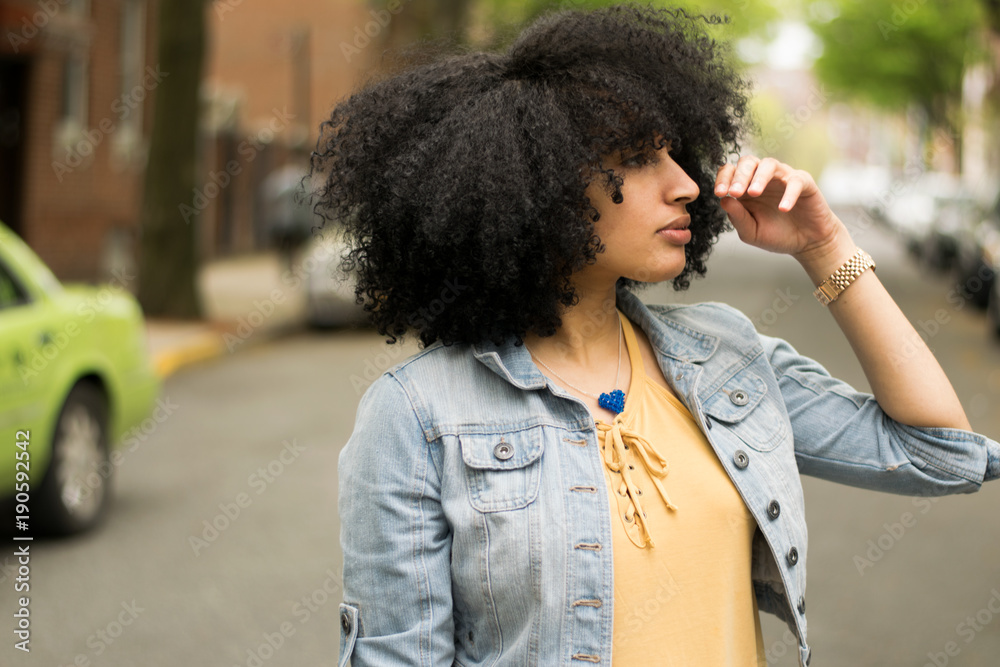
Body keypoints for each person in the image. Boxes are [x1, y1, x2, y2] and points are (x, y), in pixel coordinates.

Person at [310, 5, 1000, 666]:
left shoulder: (725, 358)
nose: (686, 185)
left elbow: (940, 453)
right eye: (639, 158)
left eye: (676, 153)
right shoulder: (418, 417)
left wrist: (826, 246)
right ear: (537, 185)